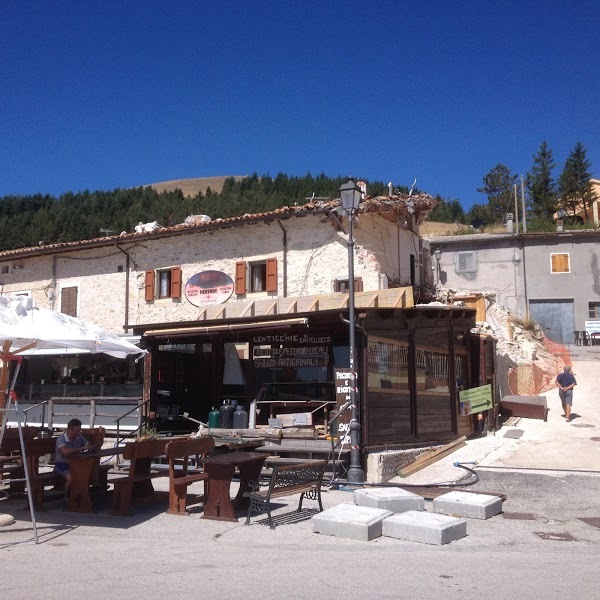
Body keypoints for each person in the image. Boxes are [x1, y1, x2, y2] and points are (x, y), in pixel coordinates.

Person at [54, 418, 98, 496]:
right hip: (61, 464)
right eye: (76, 431)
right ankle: (66, 497)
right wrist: (81, 449)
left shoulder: (79, 437)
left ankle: (83, 495)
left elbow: (88, 445)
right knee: (70, 478)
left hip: (75, 463)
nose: (78, 433)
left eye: (80, 431)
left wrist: (90, 447)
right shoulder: (61, 439)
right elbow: (65, 452)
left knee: (87, 473)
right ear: (70, 430)